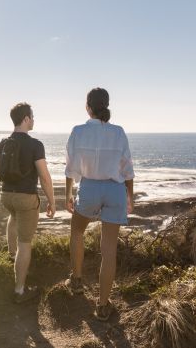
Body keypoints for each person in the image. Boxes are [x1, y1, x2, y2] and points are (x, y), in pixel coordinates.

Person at [64, 88, 134, 321]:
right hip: (115, 190)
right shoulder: (118, 132)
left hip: (90, 188)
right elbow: (127, 168)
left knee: (77, 232)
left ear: (88, 107)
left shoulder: (78, 131)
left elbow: (71, 167)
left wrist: (68, 194)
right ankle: (103, 306)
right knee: (109, 251)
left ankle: (76, 280)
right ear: (106, 105)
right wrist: (129, 196)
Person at [0, 102, 56, 304]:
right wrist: (52, 201)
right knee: (25, 243)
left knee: (13, 217)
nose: (34, 120)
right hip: (26, 198)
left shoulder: (3, 143)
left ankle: (11, 257)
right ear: (26, 119)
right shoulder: (35, 145)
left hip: (6, 196)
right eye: (32, 116)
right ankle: (20, 290)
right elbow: (45, 177)